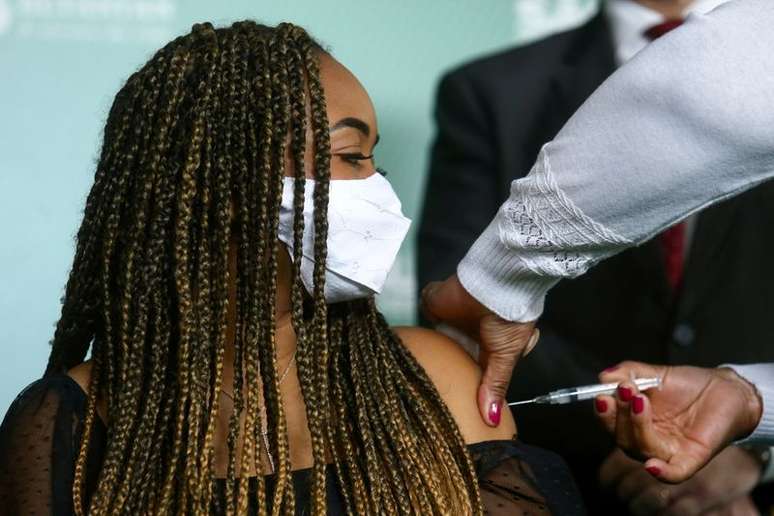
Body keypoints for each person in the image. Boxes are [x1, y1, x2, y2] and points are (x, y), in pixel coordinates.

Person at [0, 22, 584, 515]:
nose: (377, 185)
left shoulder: (431, 381)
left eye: (374, 157)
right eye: (350, 156)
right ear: (222, 186)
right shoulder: (67, 420)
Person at [419, 0, 774, 511]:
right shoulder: (491, 89)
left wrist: (754, 442)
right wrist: (736, 411)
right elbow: (457, 307)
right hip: (574, 485)